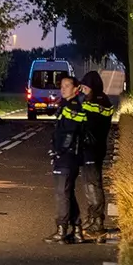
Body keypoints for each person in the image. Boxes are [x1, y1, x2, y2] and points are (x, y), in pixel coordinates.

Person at [44, 75, 86, 244]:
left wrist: (59, 152)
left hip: (67, 156)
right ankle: (77, 231)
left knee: (61, 194)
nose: (63, 88)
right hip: (70, 156)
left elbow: (70, 133)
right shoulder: (67, 105)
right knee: (68, 193)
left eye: (67, 85)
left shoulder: (73, 106)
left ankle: (61, 230)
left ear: (76, 88)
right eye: (62, 85)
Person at [78, 71, 115, 242]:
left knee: (93, 184)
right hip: (89, 148)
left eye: (85, 86)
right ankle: (92, 218)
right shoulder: (95, 100)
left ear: (92, 86)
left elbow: (87, 121)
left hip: (93, 148)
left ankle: (97, 221)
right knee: (88, 184)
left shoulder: (98, 101)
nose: (82, 89)